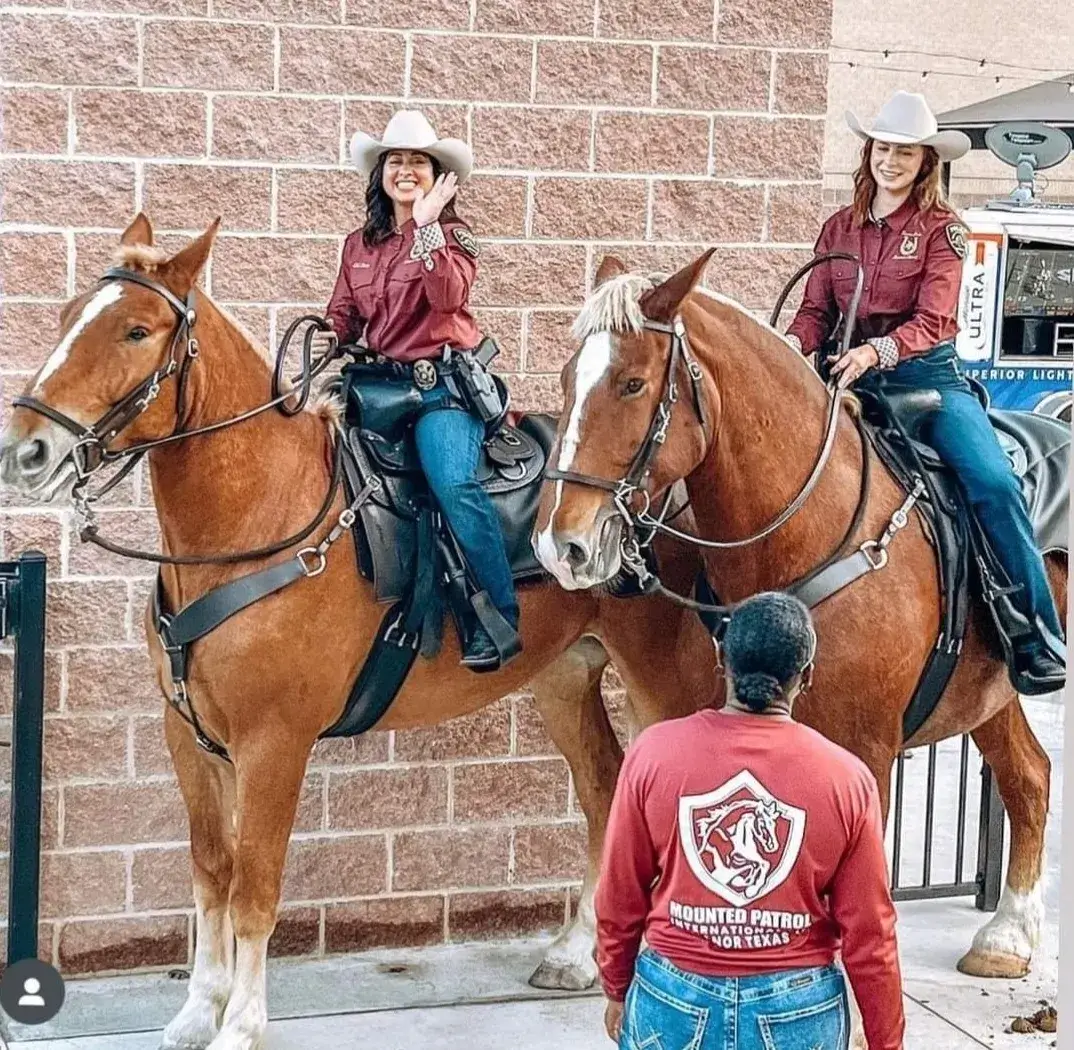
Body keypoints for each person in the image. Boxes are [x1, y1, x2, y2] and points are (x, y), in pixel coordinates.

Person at [784, 89, 1065, 696]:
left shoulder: (945, 230)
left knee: (991, 483)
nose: (890, 160)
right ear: (870, 152)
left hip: (927, 383)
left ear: (924, 162)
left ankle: (1034, 632)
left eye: (904, 153)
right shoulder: (839, 226)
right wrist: (793, 344)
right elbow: (815, 307)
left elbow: (937, 320)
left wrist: (875, 351)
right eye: (883, 148)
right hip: (843, 378)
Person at [595, 591, 904, 1050]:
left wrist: (617, 987)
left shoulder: (652, 755)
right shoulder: (847, 779)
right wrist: (886, 1042)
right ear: (807, 676)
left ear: (721, 660)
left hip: (673, 997)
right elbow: (870, 933)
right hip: (797, 1007)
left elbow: (619, 894)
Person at [320, 109, 520, 672]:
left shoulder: (455, 236)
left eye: (417, 162)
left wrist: (427, 228)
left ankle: (496, 616)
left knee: (454, 483)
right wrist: (329, 333)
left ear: (436, 175)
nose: (405, 170)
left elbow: (449, 297)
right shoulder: (358, 244)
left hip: (442, 391)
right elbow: (345, 311)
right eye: (396, 161)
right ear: (381, 172)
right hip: (380, 391)